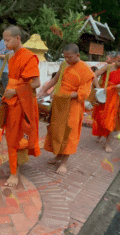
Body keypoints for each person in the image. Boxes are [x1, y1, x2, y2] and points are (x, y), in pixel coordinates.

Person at [38, 44, 94, 175]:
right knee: (57, 130)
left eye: (69, 57)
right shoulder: (64, 65)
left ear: (78, 55)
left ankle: (64, 162)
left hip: (73, 106)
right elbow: (56, 79)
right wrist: (43, 91)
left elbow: (84, 93)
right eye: (65, 57)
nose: (67, 59)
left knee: (69, 133)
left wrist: (64, 96)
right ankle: (58, 156)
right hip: (59, 104)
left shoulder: (85, 70)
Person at [1, 25, 41, 186]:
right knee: (11, 135)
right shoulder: (12, 56)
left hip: (23, 103)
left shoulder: (29, 57)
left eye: (7, 40)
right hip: (11, 101)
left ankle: (14, 173)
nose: (5, 43)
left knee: (18, 135)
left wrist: (16, 91)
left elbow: (36, 83)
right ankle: (14, 167)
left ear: (18, 38)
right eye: (4, 40)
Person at [92, 52, 120, 152]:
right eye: (119, 61)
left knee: (110, 119)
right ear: (114, 59)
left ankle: (107, 144)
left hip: (114, 97)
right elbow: (94, 75)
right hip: (103, 95)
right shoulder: (108, 67)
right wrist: (98, 88)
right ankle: (101, 134)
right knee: (100, 116)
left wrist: (116, 86)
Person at [0, 26, 13, 92]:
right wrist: (9, 56)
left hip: (13, 70)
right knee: (7, 89)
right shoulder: (3, 42)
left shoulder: (14, 42)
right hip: (5, 70)